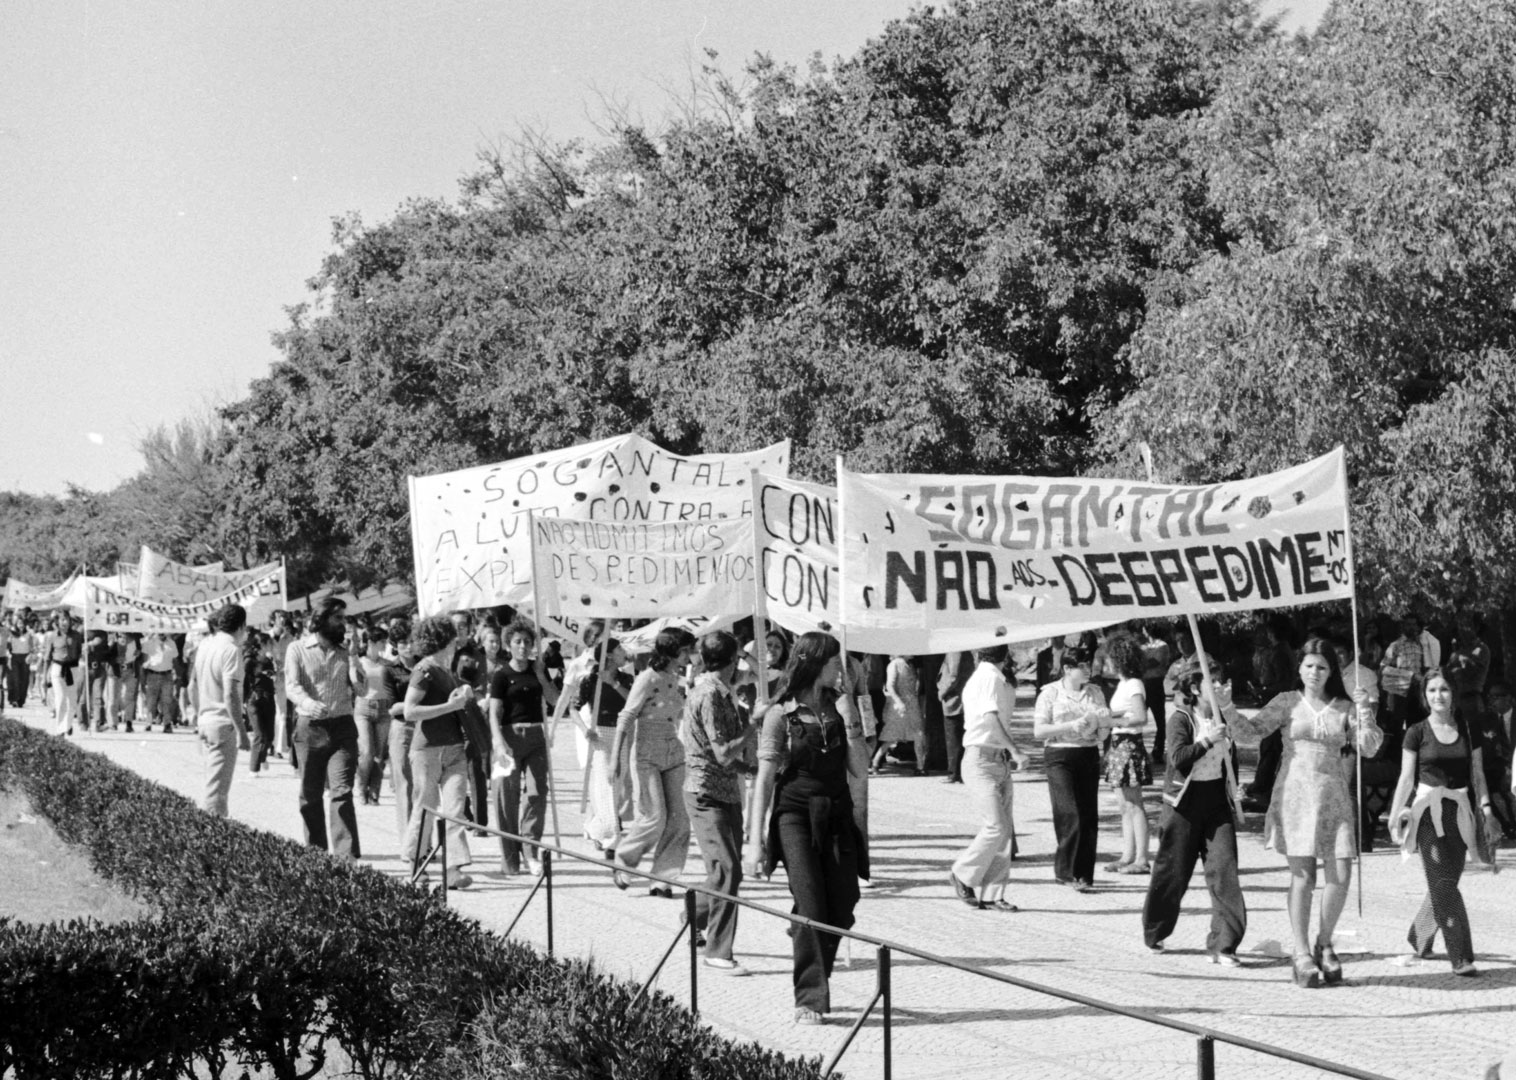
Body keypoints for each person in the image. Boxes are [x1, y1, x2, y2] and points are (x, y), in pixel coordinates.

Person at [1228, 637, 1381, 988]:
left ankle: (1324, 940)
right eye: (1309, 665)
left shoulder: (1345, 706)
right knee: (1303, 877)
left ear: (1332, 672)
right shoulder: (1286, 702)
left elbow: (1369, 748)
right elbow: (1249, 734)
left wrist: (1365, 712)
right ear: (1299, 668)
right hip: (1295, 794)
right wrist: (1227, 707)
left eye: (1322, 667)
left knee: (1340, 874)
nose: (1315, 672)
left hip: (1334, 794)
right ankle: (1300, 952)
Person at [745, 631, 863, 1025]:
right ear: (816, 664)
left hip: (836, 813)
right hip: (794, 814)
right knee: (813, 905)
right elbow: (763, 780)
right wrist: (754, 842)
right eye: (834, 663)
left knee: (843, 905)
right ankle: (810, 998)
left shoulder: (840, 708)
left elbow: (859, 770)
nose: (841, 670)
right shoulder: (782, 714)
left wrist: (851, 720)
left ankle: (804, 934)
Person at [1387, 669, 1496, 976]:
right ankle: (1460, 955)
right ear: (1424, 696)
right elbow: (1406, 778)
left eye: (1444, 689)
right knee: (1443, 883)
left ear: (1454, 694)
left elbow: (1478, 774)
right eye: (1432, 690)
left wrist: (1486, 809)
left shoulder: (1468, 728)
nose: (1438, 696)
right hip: (1426, 813)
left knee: (1446, 880)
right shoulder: (1416, 732)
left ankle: (1419, 935)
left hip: (1459, 812)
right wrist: (1395, 814)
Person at [1141, 656, 1246, 964]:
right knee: (1173, 872)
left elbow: (1231, 761)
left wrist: (1234, 788)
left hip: (1216, 802)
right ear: (1195, 688)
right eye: (1211, 682)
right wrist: (1205, 741)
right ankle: (1155, 929)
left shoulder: (1224, 718)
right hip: (1183, 805)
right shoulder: (1182, 719)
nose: (1218, 686)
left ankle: (1223, 944)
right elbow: (1177, 757)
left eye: (1220, 680)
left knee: (1224, 871)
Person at [682, 631, 758, 974]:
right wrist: (753, 728)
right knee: (727, 868)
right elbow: (722, 751)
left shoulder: (722, 691)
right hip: (705, 792)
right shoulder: (710, 694)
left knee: (726, 870)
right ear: (732, 660)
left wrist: (749, 767)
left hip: (725, 790)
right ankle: (718, 950)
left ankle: (693, 911)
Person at [610, 627, 696, 895]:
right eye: (685, 651)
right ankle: (624, 859)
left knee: (680, 819)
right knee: (654, 817)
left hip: (674, 750)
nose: (689, 656)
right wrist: (616, 759)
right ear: (672, 651)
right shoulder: (647, 678)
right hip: (647, 752)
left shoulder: (678, 678)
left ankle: (663, 878)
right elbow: (626, 716)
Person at [948, 644, 1029, 911]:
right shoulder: (990, 677)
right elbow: (991, 719)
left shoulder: (996, 678)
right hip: (981, 759)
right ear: (1006, 655)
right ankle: (962, 872)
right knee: (996, 826)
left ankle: (994, 893)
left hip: (996, 759)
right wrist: (1015, 750)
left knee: (1004, 830)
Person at [400, 615, 475, 889]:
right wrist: (451, 706)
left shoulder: (445, 671)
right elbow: (410, 710)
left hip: (454, 748)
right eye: (454, 637)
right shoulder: (424, 670)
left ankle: (453, 869)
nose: (457, 641)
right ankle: (417, 862)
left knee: (456, 811)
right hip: (427, 750)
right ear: (444, 640)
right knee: (426, 808)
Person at [285, 599, 361, 859]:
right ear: (322, 619)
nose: (343, 623)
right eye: (338, 618)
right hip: (311, 728)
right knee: (311, 794)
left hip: (343, 728)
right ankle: (317, 854)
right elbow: (291, 685)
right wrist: (308, 703)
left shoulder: (345, 651)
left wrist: (354, 658)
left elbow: (360, 688)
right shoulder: (297, 649)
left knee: (342, 791)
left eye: (344, 618)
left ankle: (345, 858)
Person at [1032, 646, 1111, 892]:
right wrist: (1069, 726)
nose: (1089, 670)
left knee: (1088, 815)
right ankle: (1065, 869)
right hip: (1059, 754)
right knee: (1069, 812)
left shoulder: (1095, 692)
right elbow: (1039, 731)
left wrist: (1101, 724)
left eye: (1089, 665)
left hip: (1087, 753)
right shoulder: (1050, 693)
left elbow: (1105, 727)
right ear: (1068, 669)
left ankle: (1083, 874)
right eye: (1083, 666)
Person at [487, 618, 559, 876]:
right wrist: (497, 741)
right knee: (506, 798)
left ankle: (531, 851)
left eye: (527, 642)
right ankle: (510, 859)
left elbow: (553, 700)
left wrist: (541, 674)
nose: (522, 646)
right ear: (509, 644)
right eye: (517, 642)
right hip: (508, 737)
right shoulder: (501, 675)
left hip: (536, 735)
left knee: (537, 793)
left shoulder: (537, 669)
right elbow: (494, 712)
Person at [188, 603, 250, 816]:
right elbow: (230, 694)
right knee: (217, 795)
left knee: (210, 784)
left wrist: (198, 715)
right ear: (241, 626)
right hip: (223, 724)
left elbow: (192, 687)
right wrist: (241, 731)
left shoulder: (205, 645)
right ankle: (211, 840)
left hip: (205, 720)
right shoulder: (231, 650)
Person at [1103, 633, 1153, 875]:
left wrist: (1112, 720)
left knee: (1134, 803)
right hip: (1118, 744)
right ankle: (1128, 855)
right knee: (1124, 805)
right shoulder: (1123, 684)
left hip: (1128, 743)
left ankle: (1142, 858)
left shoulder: (1134, 684)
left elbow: (1141, 716)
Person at [576, 638, 631, 856]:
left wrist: (614, 684)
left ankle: (596, 828)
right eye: (619, 649)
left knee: (616, 785)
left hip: (621, 733)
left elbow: (633, 703)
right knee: (605, 785)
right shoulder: (590, 680)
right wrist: (584, 728)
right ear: (609, 655)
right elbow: (574, 707)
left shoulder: (627, 679)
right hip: (599, 735)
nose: (623, 652)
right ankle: (613, 836)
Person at [352, 626, 394, 806]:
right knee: (366, 752)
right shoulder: (359, 662)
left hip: (384, 709)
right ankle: (361, 788)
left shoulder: (388, 664)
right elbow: (355, 684)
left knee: (379, 754)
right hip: (364, 708)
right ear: (370, 643)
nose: (385, 645)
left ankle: (374, 791)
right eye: (381, 641)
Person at [872, 654, 924, 775]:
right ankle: (875, 762)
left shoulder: (910, 665)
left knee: (918, 734)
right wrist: (899, 701)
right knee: (892, 736)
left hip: (912, 704)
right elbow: (890, 685)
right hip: (899, 706)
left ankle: (921, 766)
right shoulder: (894, 664)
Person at [40, 611, 83, 736]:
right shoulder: (52, 636)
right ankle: (60, 729)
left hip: (72, 668)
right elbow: (47, 657)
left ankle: (67, 724)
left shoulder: (77, 635)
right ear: (57, 622)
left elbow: (79, 652)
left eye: (66, 619)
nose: (64, 622)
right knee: (60, 699)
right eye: (62, 620)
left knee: (72, 700)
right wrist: (44, 676)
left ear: (70, 621)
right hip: (57, 668)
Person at [1483, 681, 1516, 839]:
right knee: (1483, 786)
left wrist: (1512, 767)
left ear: (1509, 698)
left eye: (1496, 697)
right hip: (1499, 767)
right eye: (1490, 697)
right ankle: (1507, 826)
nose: (1491, 701)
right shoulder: (1488, 720)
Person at [937, 650, 974, 784]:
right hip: (959, 699)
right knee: (957, 738)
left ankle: (954, 773)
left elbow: (953, 676)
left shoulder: (955, 652)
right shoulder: (964, 651)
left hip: (954, 700)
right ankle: (958, 772)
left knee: (953, 738)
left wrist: (942, 692)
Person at [1138, 625, 1172, 765]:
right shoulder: (1143, 646)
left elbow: (1154, 663)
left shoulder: (1162, 645)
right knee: (1139, 718)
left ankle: (1158, 751)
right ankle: (1140, 751)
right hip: (1143, 683)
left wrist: (1141, 662)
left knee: (1160, 721)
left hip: (1156, 683)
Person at [141, 631, 180, 733]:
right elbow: (143, 659)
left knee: (167, 701)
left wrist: (177, 675)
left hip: (167, 675)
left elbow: (175, 659)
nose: (162, 633)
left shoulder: (171, 643)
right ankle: (148, 723)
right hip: (153, 674)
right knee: (151, 701)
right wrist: (143, 677)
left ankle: (167, 724)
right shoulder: (150, 642)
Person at [6, 614, 33, 708]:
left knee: (24, 679)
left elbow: (32, 647)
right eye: (19, 623)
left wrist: (30, 655)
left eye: (22, 623)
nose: (21, 625)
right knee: (15, 679)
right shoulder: (12, 633)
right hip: (14, 657)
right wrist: (9, 657)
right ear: (16, 624)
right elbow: (7, 647)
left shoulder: (29, 634)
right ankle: (14, 699)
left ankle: (21, 700)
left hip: (25, 657)